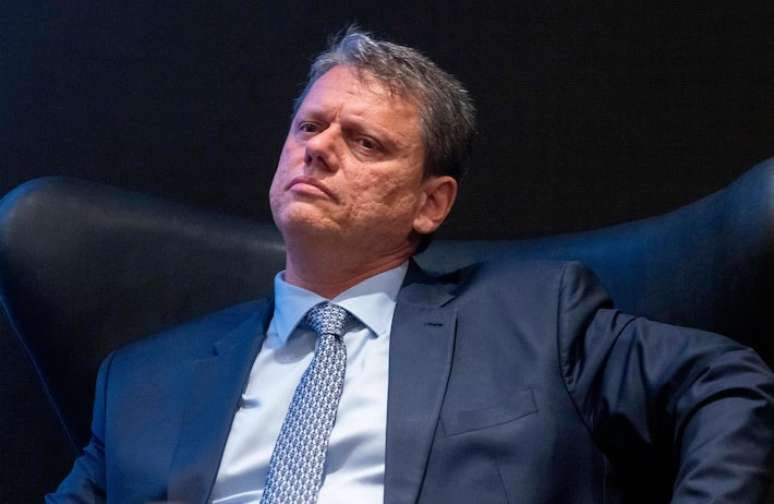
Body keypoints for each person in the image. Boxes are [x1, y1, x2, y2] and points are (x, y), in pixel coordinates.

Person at [49, 27, 774, 504]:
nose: (319, 148)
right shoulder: (141, 382)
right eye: (309, 126)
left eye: (364, 142)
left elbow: (722, 380)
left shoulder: (536, 320)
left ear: (431, 203)